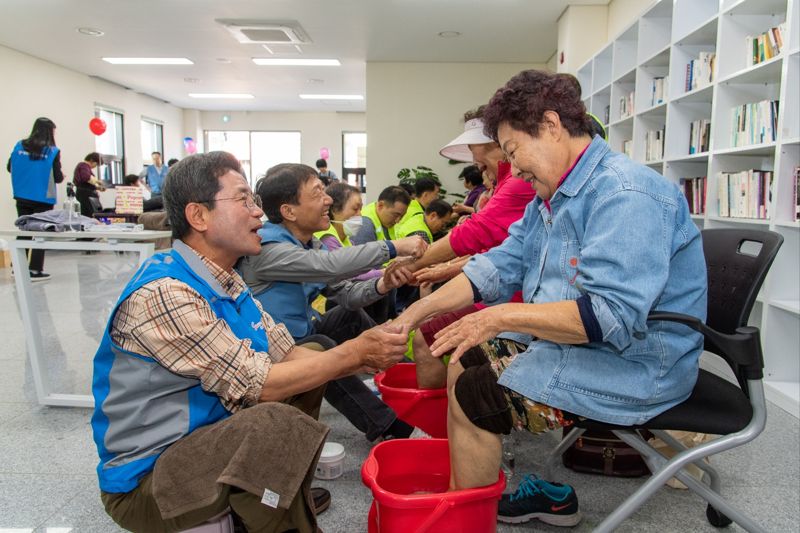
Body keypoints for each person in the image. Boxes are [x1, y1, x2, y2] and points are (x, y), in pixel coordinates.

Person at [396, 70, 707, 527]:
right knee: (466, 355)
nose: (513, 168)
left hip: (639, 364)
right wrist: (416, 312)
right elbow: (500, 263)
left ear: (551, 125)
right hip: (597, 347)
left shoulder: (625, 193)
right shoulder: (555, 196)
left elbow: (610, 316)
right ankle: (471, 501)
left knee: (474, 394)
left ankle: (464, 515)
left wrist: (497, 317)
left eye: (513, 151)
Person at [91, 152, 410, 532]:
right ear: (199, 216)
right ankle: (279, 515)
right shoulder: (166, 293)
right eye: (243, 199)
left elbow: (288, 352)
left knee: (312, 353)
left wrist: (358, 356)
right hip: (151, 479)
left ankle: (276, 497)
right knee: (271, 421)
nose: (259, 213)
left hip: (208, 440)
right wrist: (355, 352)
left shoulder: (224, 277)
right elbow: (257, 386)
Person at [237, 163, 430, 442]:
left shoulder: (305, 244)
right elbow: (328, 265)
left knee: (347, 317)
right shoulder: (266, 249)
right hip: (271, 350)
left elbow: (346, 294)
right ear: (288, 211)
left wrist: (383, 284)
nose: (328, 200)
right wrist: (393, 247)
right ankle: (387, 426)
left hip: (301, 334)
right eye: (317, 193)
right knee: (324, 349)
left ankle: (402, 374)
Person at [7, 117, 65, 281]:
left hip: (22, 194)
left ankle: (17, 268)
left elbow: (9, 167)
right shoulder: (52, 151)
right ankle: (35, 269)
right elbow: (58, 177)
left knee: (23, 230)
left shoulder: (19, 145)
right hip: (43, 197)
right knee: (41, 232)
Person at [73, 152, 105, 216]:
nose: (95, 166)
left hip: (86, 193)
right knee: (88, 214)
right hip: (84, 195)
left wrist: (98, 188)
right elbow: (86, 177)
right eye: (96, 164)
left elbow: (88, 183)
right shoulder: (83, 166)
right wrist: (98, 181)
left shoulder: (85, 167)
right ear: (92, 160)